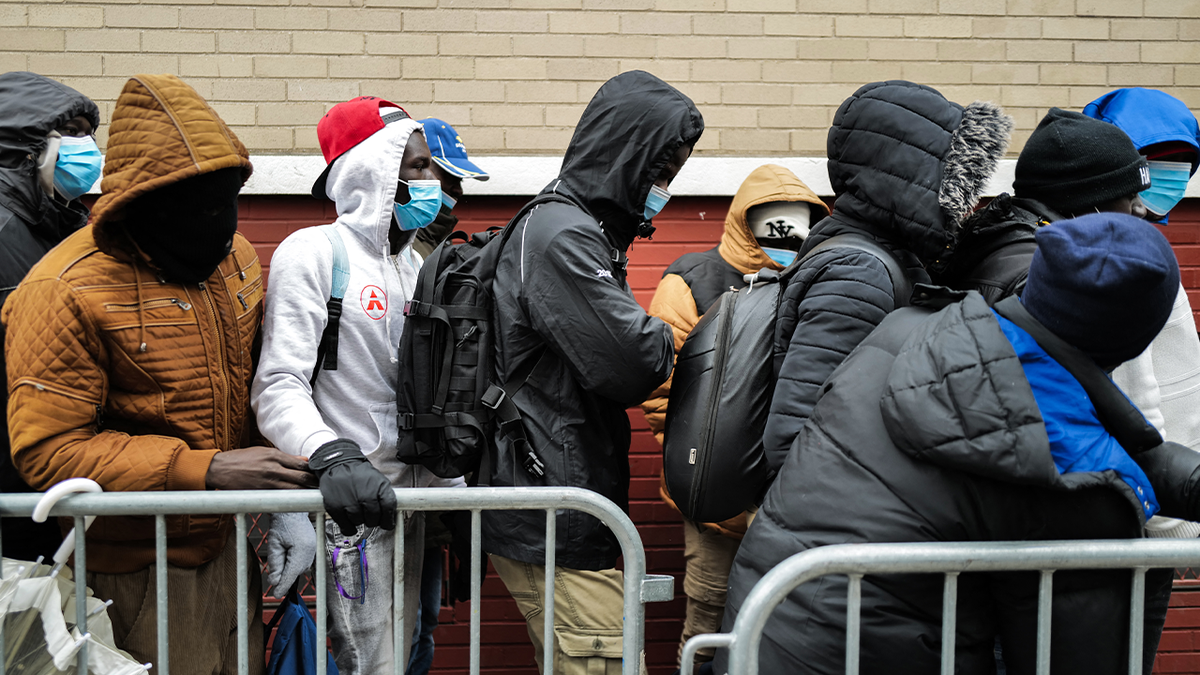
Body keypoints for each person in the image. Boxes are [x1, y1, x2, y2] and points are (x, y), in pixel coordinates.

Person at [718, 214, 1200, 675]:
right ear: (1140, 339)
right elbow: (1072, 658)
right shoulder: (1071, 477)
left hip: (764, 633)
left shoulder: (913, 329)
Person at [3, 73, 315, 675]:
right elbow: (47, 451)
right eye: (193, 207)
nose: (217, 224)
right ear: (140, 205)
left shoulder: (235, 259)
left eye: (226, 201)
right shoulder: (63, 288)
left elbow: (248, 387)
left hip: (228, 547)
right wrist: (208, 468)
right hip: (136, 566)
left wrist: (282, 506)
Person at [483, 70, 702, 675]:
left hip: (562, 503)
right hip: (554, 509)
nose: (663, 189)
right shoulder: (563, 235)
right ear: (626, 154)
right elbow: (632, 364)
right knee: (604, 661)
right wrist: (684, 328)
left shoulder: (577, 231)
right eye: (660, 171)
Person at [251, 96, 453, 675]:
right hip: (355, 506)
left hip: (418, 501)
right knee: (371, 662)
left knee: (411, 648)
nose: (431, 179)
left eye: (431, 166)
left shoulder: (417, 268)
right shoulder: (315, 252)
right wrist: (330, 453)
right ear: (372, 170)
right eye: (416, 165)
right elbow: (279, 383)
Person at [761, 80, 1012, 469]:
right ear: (911, 175)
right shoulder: (860, 273)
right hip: (837, 524)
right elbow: (796, 441)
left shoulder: (879, 256)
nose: (967, 202)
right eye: (955, 180)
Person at [639, 164, 828, 674]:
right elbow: (662, 390)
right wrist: (707, 471)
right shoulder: (694, 279)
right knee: (710, 624)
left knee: (790, 627)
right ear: (747, 221)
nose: (786, 233)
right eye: (774, 221)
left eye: (798, 221)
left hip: (795, 503)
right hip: (714, 507)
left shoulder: (822, 281)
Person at [1084, 88, 1200, 673]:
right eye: (1160, 164)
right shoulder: (1113, 257)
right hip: (1130, 528)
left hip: (1139, 522)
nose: (1172, 180)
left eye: (1186, 165)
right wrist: (1178, 529)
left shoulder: (1145, 245)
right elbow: (1140, 405)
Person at [0, 71, 100, 563]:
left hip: (45, 483)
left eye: (89, 133)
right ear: (28, 149)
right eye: (74, 133)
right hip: (11, 483)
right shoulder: (6, 231)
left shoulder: (68, 225)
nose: (88, 148)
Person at [411, 117, 489, 260]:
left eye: (460, 179)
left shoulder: (438, 235)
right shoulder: (404, 246)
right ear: (419, 168)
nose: (459, 190)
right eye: (449, 175)